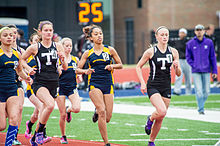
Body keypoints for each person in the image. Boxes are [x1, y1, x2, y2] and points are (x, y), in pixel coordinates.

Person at [21, 20, 68, 145]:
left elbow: (65, 67)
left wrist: (62, 60)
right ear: (40, 32)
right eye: (46, 30)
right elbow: (22, 60)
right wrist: (28, 69)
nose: (48, 32)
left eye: (50, 30)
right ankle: (40, 133)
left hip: (54, 81)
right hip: (40, 81)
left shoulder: (58, 45)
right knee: (50, 105)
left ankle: (35, 136)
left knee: (46, 109)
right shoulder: (35, 47)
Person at [76, 24, 123, 146]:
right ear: (91, 38)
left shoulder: (110, 50)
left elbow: (120, 64)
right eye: (96, 34)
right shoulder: (88, 53)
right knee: (102, 111)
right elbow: (77, 69)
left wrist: (112, 66)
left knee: (108, 117)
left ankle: (96, 111)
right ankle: (106, 143)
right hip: (94, 84)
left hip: (108, 84)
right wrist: (85, 71)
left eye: (100, 33)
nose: (99, 36)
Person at [136, 26, 181, 146]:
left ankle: (151, 142)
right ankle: (150, 118)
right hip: (153, 85)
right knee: (161, 111)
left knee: (161, 117)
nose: (165, 37)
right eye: (162, 35)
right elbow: (138, 66)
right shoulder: (151, 51)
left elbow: (178, 74)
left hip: (166, 86)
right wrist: (142, 82)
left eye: (166, 35)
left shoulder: (173, 52)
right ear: (157, 37)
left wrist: (177, 67)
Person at [0, 26, 32, 146]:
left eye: (11, 35)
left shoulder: (16, 53)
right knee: (2, 125)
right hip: (0, 89)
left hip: (12, 89)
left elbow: (19, 71)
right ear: (0, 38)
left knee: (14, 118)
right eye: (5, 35)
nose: (9, 37)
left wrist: (26, 77)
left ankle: (8, 144)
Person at [24, 32, 52, 143]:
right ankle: (41, 135)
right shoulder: (28, 58)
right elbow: (19, 67)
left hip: (44, 87)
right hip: (32, 89)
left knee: (36, 115)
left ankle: (30, 124)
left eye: (38, 41)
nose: (37, 43)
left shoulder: (44, 55)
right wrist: (25, 76)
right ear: (31, 43)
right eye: (35, 41)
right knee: (42, 108)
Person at [186, 24, 218, 115]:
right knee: (199, 91)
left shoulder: (209, 42)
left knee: (207, 91)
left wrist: (214, 71)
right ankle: (201, 109)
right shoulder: (190, 43)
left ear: (204, 31)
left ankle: (201, 105)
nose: (199, 31)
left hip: (206, 70)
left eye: (201, 30)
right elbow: (188, 57)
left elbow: (212, 58)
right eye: (197, 30)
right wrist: (194, 65)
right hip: (196, 71)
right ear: (195, 31)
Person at [56, 37, 81, 144]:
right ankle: (63, 136)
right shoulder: (57, 59)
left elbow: (78, 71)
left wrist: (79, 76)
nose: (69, 48)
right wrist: (58, 71)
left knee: (77, 108)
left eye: (70, 46)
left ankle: (68, 110)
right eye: (66, 46)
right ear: (62, 46)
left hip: (72, 87)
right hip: (60, 88)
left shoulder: (75, 59)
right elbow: (53, 73)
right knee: (62, 115)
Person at [7, 24, 26, 145]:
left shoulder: (20, 51)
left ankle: (14, 135)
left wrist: (26, 74)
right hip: (4, 83)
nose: (13, 36)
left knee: (19, 108)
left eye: (14, 33)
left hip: (17, 82)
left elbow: (23, 66)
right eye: (10, 33)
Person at [173, 28, 192, 95]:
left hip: (187, 61)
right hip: (180, 61)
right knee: (178, 76)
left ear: (185, 34)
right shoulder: (177, 42)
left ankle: (188, 92)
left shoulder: (188, 42)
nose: (181, 34)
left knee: (188, 77)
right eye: (180, 33)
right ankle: (177, 90)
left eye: (182, 33)